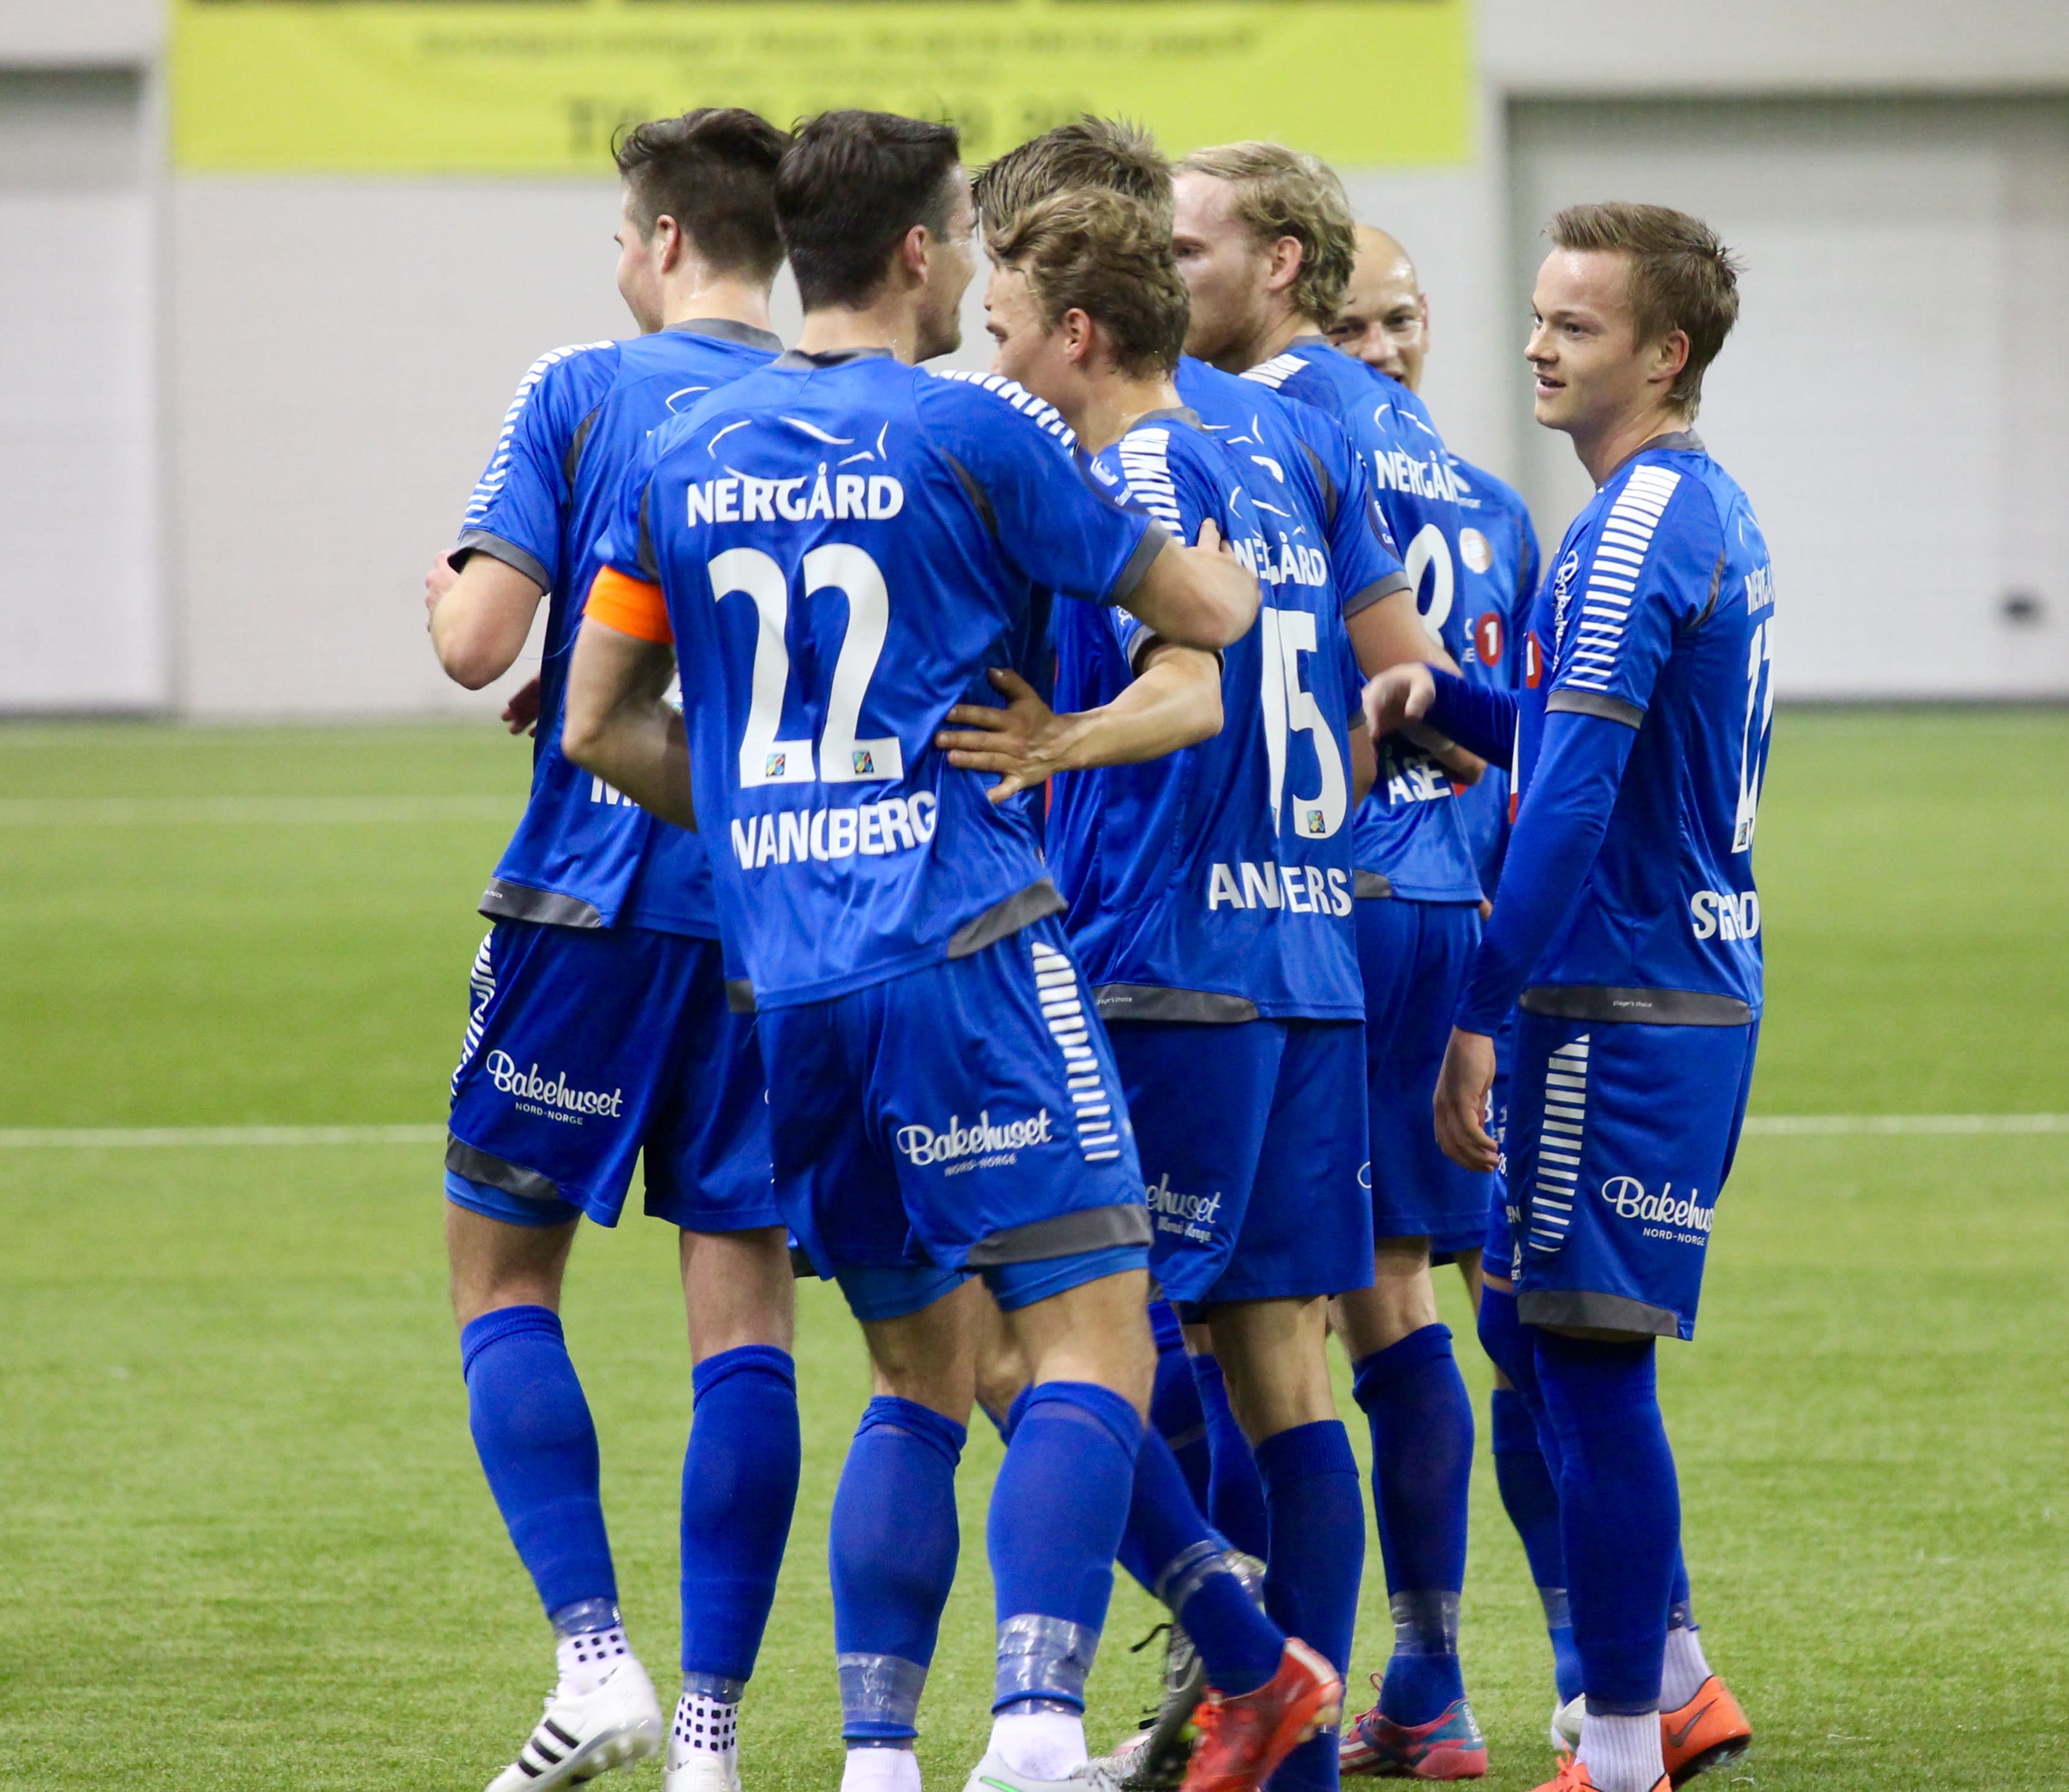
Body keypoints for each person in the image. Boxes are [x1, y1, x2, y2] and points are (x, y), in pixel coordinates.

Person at [554, 109, 1296, 1792]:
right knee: (1091, 1331)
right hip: (964, 944)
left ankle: (879, 1764)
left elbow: (596, 720)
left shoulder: (678, 449)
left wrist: (766, 816)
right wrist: (1222, 588)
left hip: (789, 982)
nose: (972, 261)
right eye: (962, 231)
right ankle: (1033, 1727)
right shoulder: (976, 432)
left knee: (913, 1371)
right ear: (912, 252)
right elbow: (1204, 618)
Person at [956, 181, 1403, 1792]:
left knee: (1021, 1343)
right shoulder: (1260, 454)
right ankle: (1290, 1756)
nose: (995, 356)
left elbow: (1194, 694)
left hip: (1170, 965)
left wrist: (1057, 742)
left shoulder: (1138, 471)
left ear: (1077, 332)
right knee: (1285, 1373)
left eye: (1007, 325)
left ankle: (1224, 1665)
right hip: (1304, 955)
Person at [1362, 201, 1767, 1792]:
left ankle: (1615, 1748)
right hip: (1663, 984)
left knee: (1586, 1361)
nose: (1535, 344)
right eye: (1536, 315)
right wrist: (1449, 697)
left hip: (1621, 1001)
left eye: (1575, 325)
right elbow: (1579, 738)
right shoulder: (1681, 506)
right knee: (1527, 1329)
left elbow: (1575, 799)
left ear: (1664, 353)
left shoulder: (1633, 524)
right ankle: (1667, 1680)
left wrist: (1480, 1011)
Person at [423, 110, 803, 1792]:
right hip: (779, 920)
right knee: (746, 1315)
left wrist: (450, 596)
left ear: (658, 240)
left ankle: (595, 1661)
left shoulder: (582, 387)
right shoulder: (839, 403)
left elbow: (477, 642)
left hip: (588, 898)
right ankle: (710, 1739)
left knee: (502, 1274)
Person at [1172, 142, 1489, 1779]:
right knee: (1392, 1294)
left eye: (1185, 247)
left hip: (1304, 895)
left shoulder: (1242, 423)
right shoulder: (1460, 472)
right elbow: (1461, 706)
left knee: (1219, 1322)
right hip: (1440, 888)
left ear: (1277, 265)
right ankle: (1430, 1673)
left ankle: (1238, 1663)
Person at [1332, 225, 1576, 1727]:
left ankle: (1395, 1678)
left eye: (1401, 318)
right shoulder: (1490, 506)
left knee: (1316, 1310)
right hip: (1468, 924)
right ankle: (1603, 1659)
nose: (1382, 349)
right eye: (1357, 324)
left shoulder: (1288, 462)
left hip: (1347, 917)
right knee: (1499, 1303)